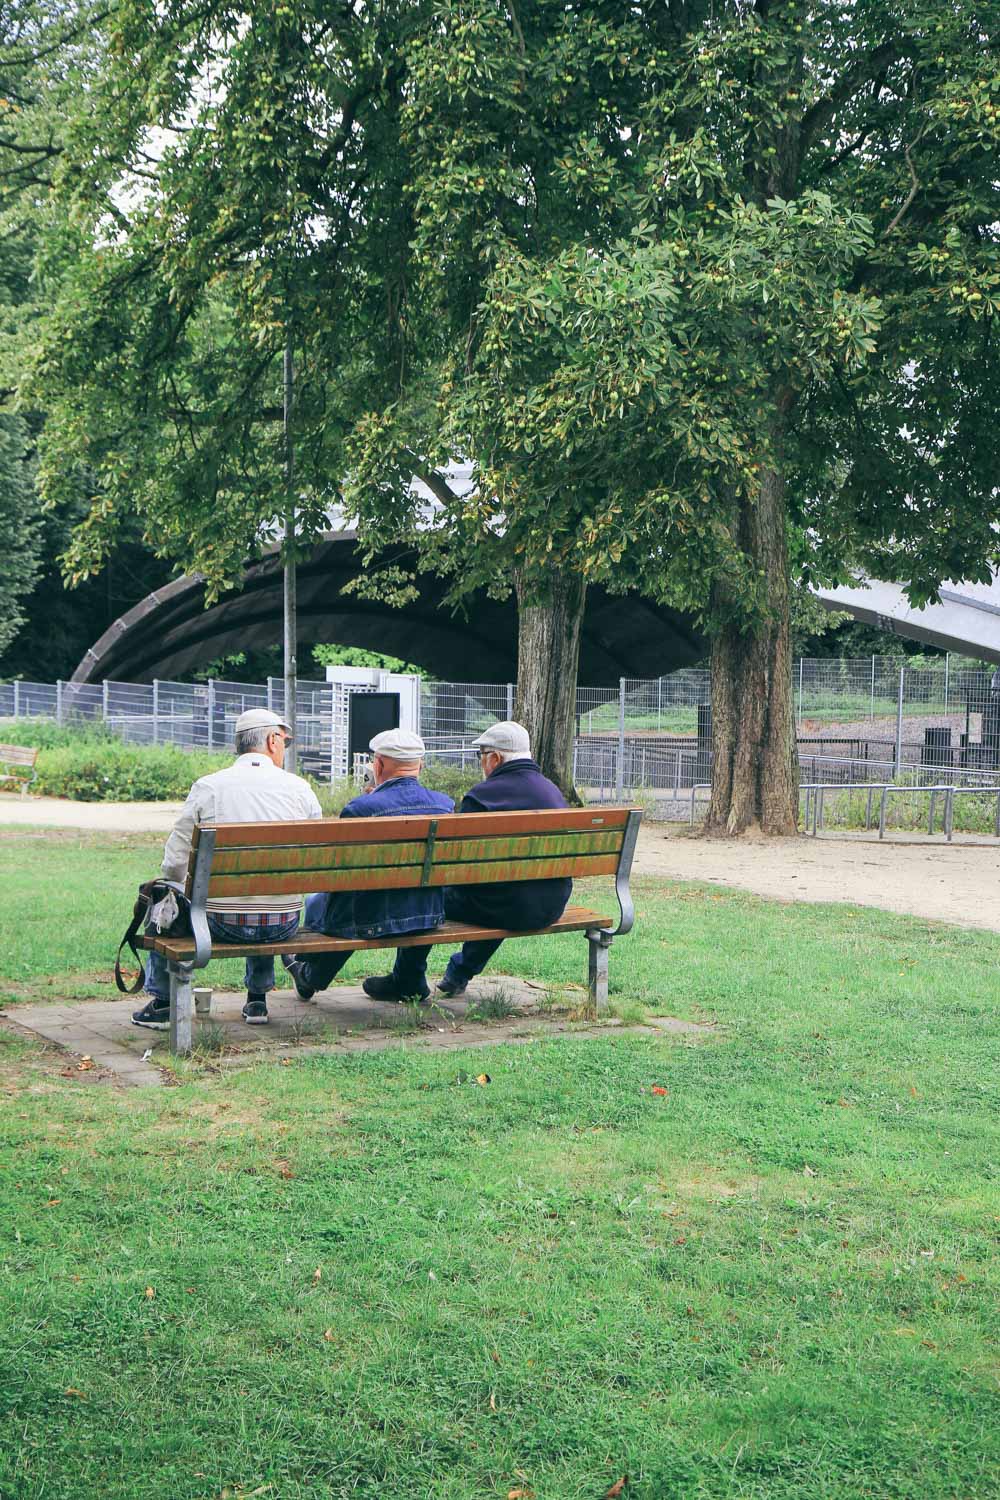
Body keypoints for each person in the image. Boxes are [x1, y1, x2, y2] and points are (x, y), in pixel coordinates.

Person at [131, 708, 322, 1029]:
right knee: (264, 891)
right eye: (284, 742)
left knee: (163, 897)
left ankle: (163, 1004)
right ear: (273, 740)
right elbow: (317, 855)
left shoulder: (209, 787)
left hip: (218, 925)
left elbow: (174, 864)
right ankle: (257, 999)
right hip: (284, 922)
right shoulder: (299, 788)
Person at [284, 729, 454, 1003]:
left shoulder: (360, 810)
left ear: (379, 765)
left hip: (368, 919)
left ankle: (312, 976)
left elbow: (336, 875)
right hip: (427, 913)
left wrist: (369, 801)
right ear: (420, 765)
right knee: (408, 893)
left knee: (327, 901)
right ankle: (410, 978)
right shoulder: (445, 806)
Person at [436, 720, 570, 997]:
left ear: (495, 758)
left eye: (481, 756)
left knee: (428, 898)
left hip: (501, 906)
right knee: (503, 889)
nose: (481, 764)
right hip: (550, 904)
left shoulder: (482, 798)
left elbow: (454, 865)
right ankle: (460, 971)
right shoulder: (553, 793)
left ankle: (406, 978)